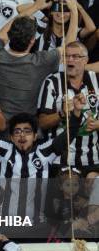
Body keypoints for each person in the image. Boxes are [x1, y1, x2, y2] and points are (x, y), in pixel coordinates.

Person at [0, 94, 85, 223]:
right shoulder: (4, 150)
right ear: (11, 137)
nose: (22, 135)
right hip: (6, 225)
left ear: (34, 136)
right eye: (17, 132)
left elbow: (68, 136)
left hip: (37, 226)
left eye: (27, 131)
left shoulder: (45, 151)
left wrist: (77, 112)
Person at [0, 5, 77, 122]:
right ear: (32, 40)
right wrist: (74, 11)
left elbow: (2, 34)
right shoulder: (40, 62)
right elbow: (68, 46)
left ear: (9, 37)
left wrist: (36, 5)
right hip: (28, 130)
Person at [38, 42, 99, 170]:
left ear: (85, 60)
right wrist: (62, 113)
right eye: (66, 56)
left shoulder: (96, 80)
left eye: (76, 56)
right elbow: (41, 123)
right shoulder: (52, 82)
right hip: (59, 159)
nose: (70, 60)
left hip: (91, 158)